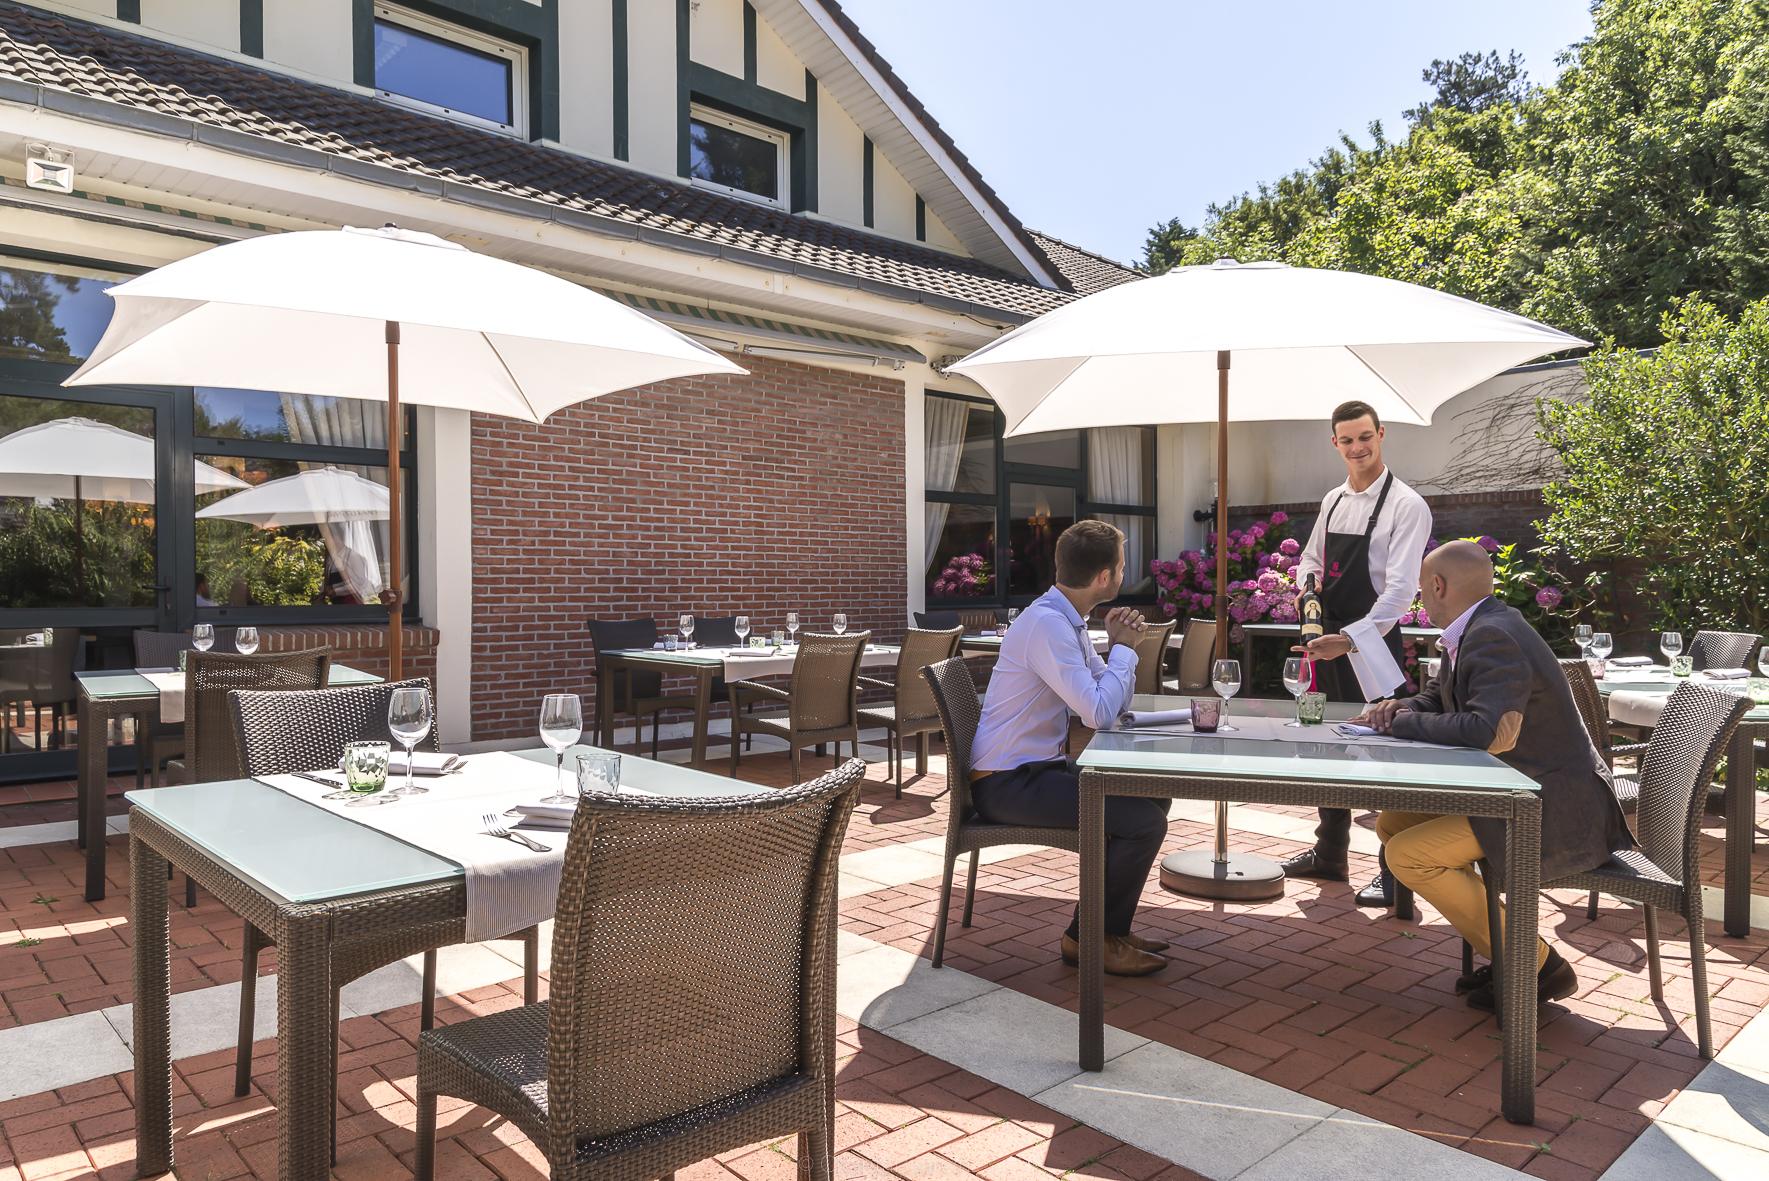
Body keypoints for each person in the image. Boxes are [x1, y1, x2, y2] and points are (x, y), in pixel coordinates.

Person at [1356, 541, 1633, 1011]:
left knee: (1409, 855)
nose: (1421, 599)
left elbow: (1487, 731)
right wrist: (1397, 708)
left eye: (1422, 590)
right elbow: (1443, 700)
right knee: (1393, 823)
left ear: (1438, 586)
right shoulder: (1478, 625)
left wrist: (1401, 723)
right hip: (1516, 790)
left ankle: (1536, 964)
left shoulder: (1492, 634)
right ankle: (1503, 943)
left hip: (1548, 807)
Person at [970, 520, 1171, 976]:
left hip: (1036, 771)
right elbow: (1098, 713)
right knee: (1142, 823)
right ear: (1104, 577)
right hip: (1008, 783)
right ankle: (1091, 940)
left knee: (1153, 792)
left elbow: (1107, 699)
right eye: (1121, 567)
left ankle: (1107, 928)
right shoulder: (1048, 625)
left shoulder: (1066, 619)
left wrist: (1118, 648)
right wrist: (1123, 648)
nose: (1124, 574)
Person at [1283, 400, 1432, 908]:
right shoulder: (1332, 500)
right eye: (1347, 440)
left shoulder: (1407, 505)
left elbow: (1399, 594)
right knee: (1327, 743)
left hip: (1371, 644)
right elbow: (1311, 559)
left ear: (1381, 434)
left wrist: (1348, 639)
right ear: (1335, 443)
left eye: (1364, 437)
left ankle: (1395, 874)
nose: (1357, 448)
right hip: (1326, 641)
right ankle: (1330, 853)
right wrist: (1307, 591)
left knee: (1384, 752)